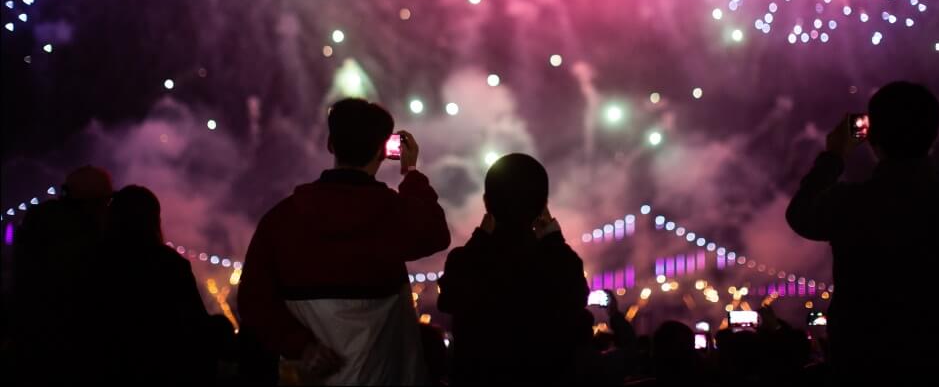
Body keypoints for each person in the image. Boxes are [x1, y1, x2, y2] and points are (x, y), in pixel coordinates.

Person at [238, 98, 450, 385]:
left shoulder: (281, 220)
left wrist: (302, 346)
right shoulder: (393, 214)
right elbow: (435, 232)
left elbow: (253, 301)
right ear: (383, 151)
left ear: (330, 145)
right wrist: (410, 172)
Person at [786, 81, 939, 381]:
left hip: (862, 359)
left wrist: (834, 156)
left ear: (871, 135)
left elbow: (799, 215)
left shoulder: (850, 202)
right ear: (934, 134)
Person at [437, 153, 594, 385]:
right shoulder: (561, 263)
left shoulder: (466, 260)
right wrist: (553, 239)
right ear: (543, 206)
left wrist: (480, 239)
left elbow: (448, 301)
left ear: (487, 203)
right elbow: (576, 300)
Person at [92, 185, 215, 385]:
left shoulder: (94, 258)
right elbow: (196, 324)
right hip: (160, 367)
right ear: (154, 219)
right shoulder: (171, 264)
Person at [10, 166, 114, 384]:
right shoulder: (88, 239)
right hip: (73, 352)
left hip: (29, 345)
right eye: (105, 202)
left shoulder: (38, 221)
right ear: (94, 202)